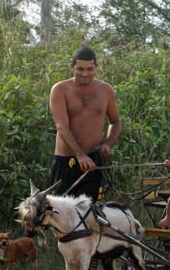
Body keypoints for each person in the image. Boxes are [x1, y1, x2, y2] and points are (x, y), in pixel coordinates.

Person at [49, 46, 121, 202]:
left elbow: (115, 122)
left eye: (90, 69)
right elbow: (61, 126)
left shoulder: (105, 90)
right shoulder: (60, 89)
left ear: (96, 67)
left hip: (93, 160)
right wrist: (79, 154)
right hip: (67, 159)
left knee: (89, 212)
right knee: (60, 212)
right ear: (72, 67)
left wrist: (108, 144)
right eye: (80, 69)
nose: (85, 73)